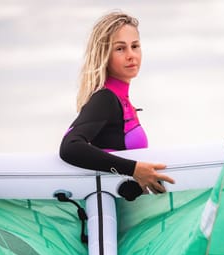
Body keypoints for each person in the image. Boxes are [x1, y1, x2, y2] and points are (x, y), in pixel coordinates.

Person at [60, 11, 174, 195]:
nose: (131, 55)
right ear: (104, 55)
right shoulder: (105, 99)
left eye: (135, 46)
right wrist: (134, 169)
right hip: (109, 214)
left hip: (128, 210)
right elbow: (70, 147)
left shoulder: (123, 101)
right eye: (120, 48)